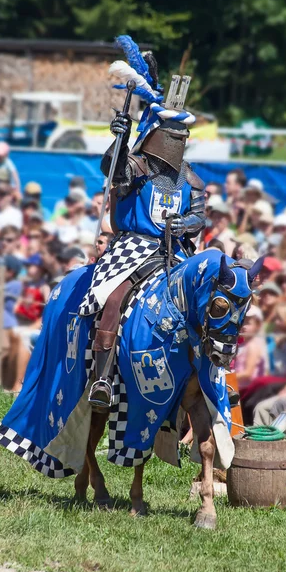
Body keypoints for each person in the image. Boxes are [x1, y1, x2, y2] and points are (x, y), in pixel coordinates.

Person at [79, 43, 206, 408]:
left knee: (208, 299)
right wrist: (118, 139)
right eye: (173, 133)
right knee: (112, 296)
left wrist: (184, 224)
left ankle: (208, 376)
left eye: (183, 135)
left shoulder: (189, 178)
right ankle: (102, 379)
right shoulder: (138, 166)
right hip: (133, 247)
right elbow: (113, 172)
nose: (179, 140)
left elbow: (200, 215)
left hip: (175, 250)